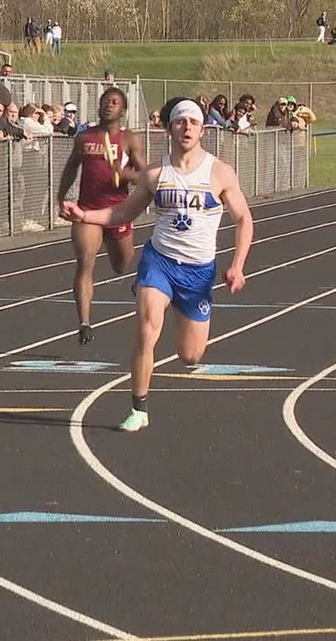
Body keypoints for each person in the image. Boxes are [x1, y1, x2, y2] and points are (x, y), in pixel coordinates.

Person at [60, 97, 254, 432]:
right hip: (160, 261)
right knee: (147, 327)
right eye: (180, 122)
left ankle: (186, 324)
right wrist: (85, 215)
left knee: (190, 355)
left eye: (193, 122)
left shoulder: (220, 172)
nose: (187, 128)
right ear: (169, 129)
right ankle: (138, 409)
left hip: (198, 271)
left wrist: (237, 265)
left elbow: (244, 219)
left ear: (202, 129)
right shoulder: (155, 174)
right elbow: (123, 212)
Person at [58, 87, 147, 345]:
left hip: (118, 211)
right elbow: (72, 166)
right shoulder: (85, 137)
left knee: (122, 266)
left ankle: (130, 269)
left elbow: (146, 176)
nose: (109, 104)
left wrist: (122, 172)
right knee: (85, 261)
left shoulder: (129, 139)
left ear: (123, 110)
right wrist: (61, 197)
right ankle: (84, 322)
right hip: (87, 211)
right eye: (105, 100)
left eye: (115, 102)